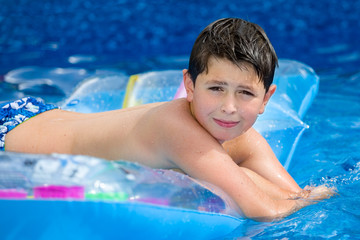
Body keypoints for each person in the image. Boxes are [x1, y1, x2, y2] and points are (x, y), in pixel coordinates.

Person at [0, 18, 335, 221]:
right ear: (189, 85)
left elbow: (298, 196)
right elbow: (262, 208)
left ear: (266, 99)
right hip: (11, 137)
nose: (229, 107)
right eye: (216, 88)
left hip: (38, 114)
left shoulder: (240, 134)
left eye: (245, 93)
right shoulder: (175, 128)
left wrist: (304, 197)